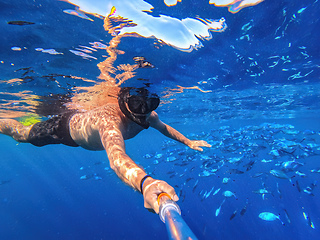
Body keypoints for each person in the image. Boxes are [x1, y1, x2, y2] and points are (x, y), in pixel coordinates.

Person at [0, 87, 211, 213]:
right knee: (23, 135)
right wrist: (146, 183)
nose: (144, 110)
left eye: (150, 103)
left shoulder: (149, 116)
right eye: (136, 104)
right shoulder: (109, 122)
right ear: (123, 101)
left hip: (80, 132)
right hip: (64, 129)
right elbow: (117, 158)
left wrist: (189, 141)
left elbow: (164, 128)